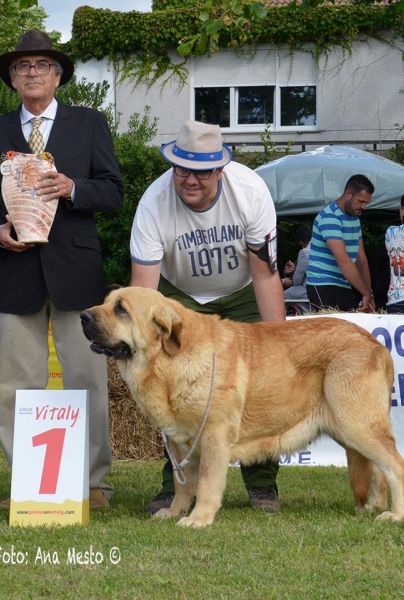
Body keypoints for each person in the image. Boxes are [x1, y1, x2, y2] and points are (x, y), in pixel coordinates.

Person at [0, 30, 124, 508]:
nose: (31, 72)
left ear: (58, 76)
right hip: (18, 271)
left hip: (76, 272)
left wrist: (72, 187)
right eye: (22, 67)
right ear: (12, 80)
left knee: (87, 379)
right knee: (15, 384)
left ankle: (94, 482)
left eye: (41, 65)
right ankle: (28, 482)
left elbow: (113, 191)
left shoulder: (89, 123)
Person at [130, 120, 286, 514]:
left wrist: (278, 344)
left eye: (202, 171)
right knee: (174, 388)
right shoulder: (153, 203)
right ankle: (176, 486)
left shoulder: (250, 192)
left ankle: (263, 485)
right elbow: (144, 294)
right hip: (179, 295)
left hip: (242, 289)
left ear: (220, 169)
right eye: (182, 169)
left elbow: (265, 274)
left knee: (262, 381)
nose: (190, 180)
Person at [306, 174, 376, 312]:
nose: (364, 207)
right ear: (348, 193)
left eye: (366, 203)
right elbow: (343, 261)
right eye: (361, 201)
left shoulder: (355, 218)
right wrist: (366, 293)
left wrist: (368, 293)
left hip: (343, 283)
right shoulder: (329, 217)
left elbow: (361, 259)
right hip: (322, 283)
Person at [283, 225, 311, 303]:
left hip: (308, 289)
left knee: (280, 296)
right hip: (327, 288)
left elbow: (297, 281)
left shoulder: (304, 252)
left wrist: (292, 272)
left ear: (300, 242)